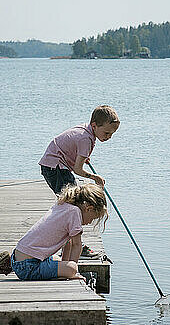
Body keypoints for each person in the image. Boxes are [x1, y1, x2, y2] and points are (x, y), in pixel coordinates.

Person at [0, 183, 108, 281]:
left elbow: (67, 243)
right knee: (71, 268)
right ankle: (13, 266)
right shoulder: (75, 213)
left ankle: (10, 263)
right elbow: (76, 245)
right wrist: (73, 271)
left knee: (59, 261)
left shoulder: (64, 206)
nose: (90, 222)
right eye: (93, 218)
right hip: (28, 267)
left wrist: (65, 264)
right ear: (88, 208)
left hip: (20, 257)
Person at [38, 105, 119, 257]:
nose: (109, 137)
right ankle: (76, 245)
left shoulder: (86, 131)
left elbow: (71, 147)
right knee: (75, 205)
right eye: (107, 133)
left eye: (112, 134)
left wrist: (80, 156)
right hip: (56, 168)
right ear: (94, 125)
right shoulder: (85, 139)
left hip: (53, 166)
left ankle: (68, 243)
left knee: (72, 205)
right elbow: (78, 170)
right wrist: (95, 178)